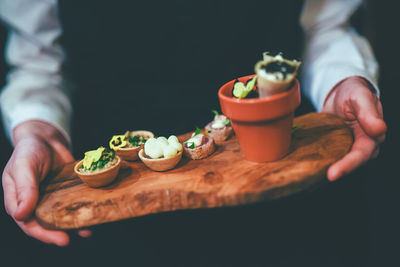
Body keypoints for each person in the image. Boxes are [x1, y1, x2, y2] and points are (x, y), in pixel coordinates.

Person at [0, 0, 386, 248]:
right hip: (121, 214)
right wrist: (38, 129)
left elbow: (323, 27)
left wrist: (343, 79)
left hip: (288, 188)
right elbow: (39, 60)